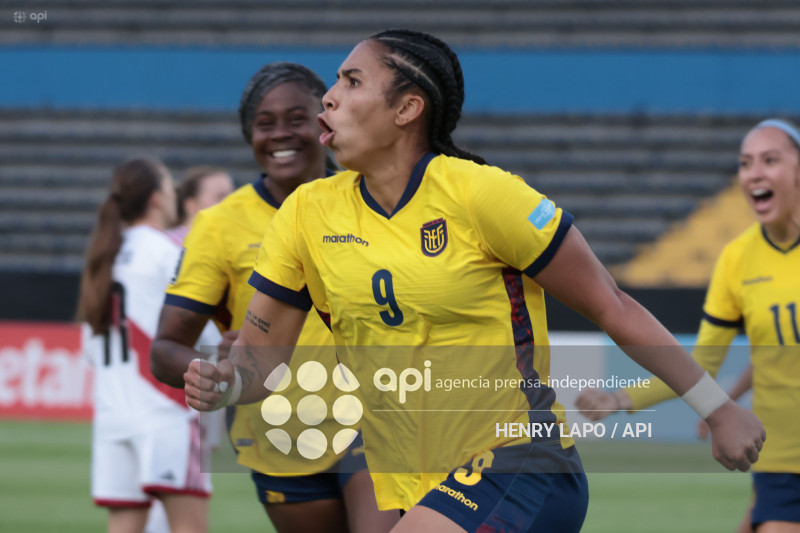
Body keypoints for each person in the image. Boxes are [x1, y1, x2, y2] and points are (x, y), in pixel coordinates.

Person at [184, 29, 766, 533]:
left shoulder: (480, 194)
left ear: (407, 108)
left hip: (520, 462)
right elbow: (262, 362)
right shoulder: (306, 214)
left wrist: (717, 409)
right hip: (413, 483)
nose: (329, 96)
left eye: (352, 81)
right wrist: (227, 384)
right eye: (335, 82)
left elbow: (611, 305)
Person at [150, 62, 399, 533]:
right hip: (280, 434)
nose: (280, 134)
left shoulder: (376, 196)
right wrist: (213, 374)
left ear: (324, 122)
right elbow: (164, 349)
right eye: (265, 124)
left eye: (297, 119)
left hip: (375, 422)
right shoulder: (219, 226)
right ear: (250, 135)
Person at [576, 118, 800, 533]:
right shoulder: (737, 259)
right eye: (745, 163)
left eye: (770, 160)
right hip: (780, 461)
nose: (754, 173)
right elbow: (705, 363)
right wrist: (618, 400)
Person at [77, 157, 211, 533]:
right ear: (156, 199)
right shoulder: (166, 251)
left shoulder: (105, 255)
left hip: (112, 416)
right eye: (169, 187)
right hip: (165, 412)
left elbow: (89, 349)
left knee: (124, 524)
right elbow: (205, 333)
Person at [166, 165, 234, 244]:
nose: (231, 203)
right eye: (220, 196)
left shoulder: (231, 241)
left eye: (233, 196)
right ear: (191, 205)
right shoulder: (168, 244)